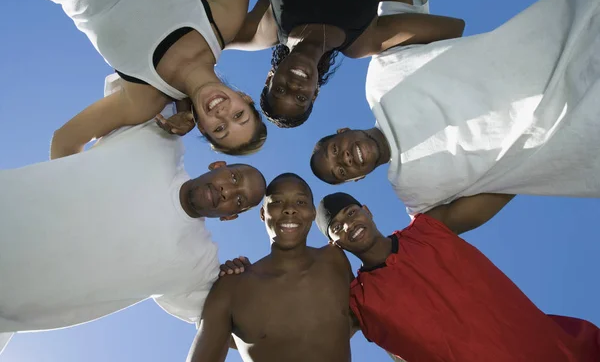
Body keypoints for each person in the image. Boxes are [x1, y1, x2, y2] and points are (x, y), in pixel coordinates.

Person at [310, 0, 600, 215]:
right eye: (341, 170)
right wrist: (528, 164)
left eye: (336, 150)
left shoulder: (380, 77)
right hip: (582, 130)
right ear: (356, 179)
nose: (345, 158)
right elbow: (448, 226)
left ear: (343, 131)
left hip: (570, 34)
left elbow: (446, 24)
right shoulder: (416, 194)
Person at [0, 100, 267, 355]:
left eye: (239, 200)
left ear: (231, 216)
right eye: (234, 177)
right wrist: (186, 106)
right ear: (217, 165)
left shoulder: (196, 263)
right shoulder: (158, 140)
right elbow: (149, 77)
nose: (227, 191)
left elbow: (232, 332)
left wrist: (234, 285)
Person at [1, 0, 267, 155]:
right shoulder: (224, 21)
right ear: (245, 97)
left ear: (202, 128)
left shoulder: (143, 101)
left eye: (220, 129)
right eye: (239, 115)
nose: (223, 115)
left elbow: (64, 142)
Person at [314, 192, 600, 362]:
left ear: (367, 211)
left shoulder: (428, 230)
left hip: (560, 352)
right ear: (334, 244)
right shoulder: (359, 304)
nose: (349, 224)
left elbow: (508, 183)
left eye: (351, 212)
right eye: (336, 227)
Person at [227, 0, 465, 128]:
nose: (294, 85)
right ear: (315, 93)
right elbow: (451, 27)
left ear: (270, 77)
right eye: (301, 97)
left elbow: (202, 39)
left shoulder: (263, 29)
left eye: (279, 90)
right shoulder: (363, 42)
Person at [186, 173, 362, 362]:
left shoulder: (334, 259)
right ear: (263, 213)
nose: (289, 210)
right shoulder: (232, 286)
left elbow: (376, 320)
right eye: (277, 202)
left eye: (301, 202)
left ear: (312, 213)